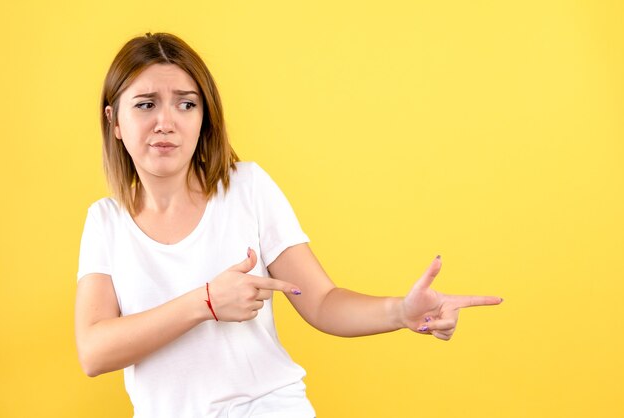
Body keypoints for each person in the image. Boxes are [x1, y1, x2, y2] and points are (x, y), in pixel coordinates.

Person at [75, 32, 503, 418]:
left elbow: (321, 302)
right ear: (114, 121)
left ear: (204, 117)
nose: (166, 122)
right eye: (146, 104)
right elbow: (93, 351)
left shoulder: (247, 188)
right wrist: (205, 303)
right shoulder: (105, 222)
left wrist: (401, 312)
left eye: (186, 104)